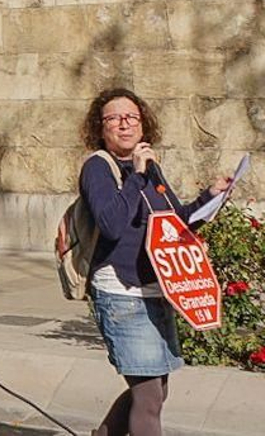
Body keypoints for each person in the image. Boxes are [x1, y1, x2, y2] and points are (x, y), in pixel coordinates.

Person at [78, 88, 232, 436]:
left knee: (156, 390)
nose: (124, 124)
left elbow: (176, 223)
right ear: (100, 129)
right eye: (113, 118)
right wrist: (135, 175)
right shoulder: (98, 168)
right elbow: (112, 225)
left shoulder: (150, 167)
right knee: (148, 397)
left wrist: (211, 197)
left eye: (131, 117)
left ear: (143, 124)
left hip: (157, 288)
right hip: (121, 292)